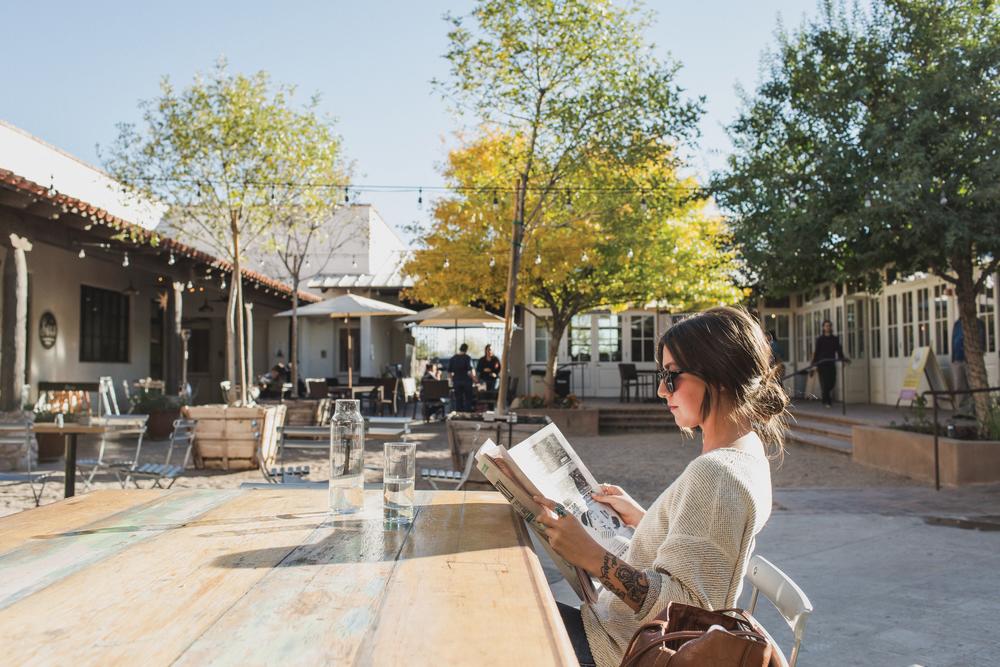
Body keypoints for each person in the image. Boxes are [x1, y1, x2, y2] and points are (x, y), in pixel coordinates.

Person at [532, 306, 788, 667]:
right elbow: (704, 552)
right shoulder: (746, 451)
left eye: (671, 376)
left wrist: (588, 553)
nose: (660, 389)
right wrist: (646, 518)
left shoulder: (718, 474)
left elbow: (685, 607)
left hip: (617, 650)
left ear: (718, 376)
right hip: (617, 635)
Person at [951, 318, 986, 414]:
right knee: (959, 385)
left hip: (971, 359)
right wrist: (953, 358)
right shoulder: (957, 324)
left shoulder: (978, 323)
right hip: (958, 358)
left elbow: (982, 339)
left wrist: (979, 353)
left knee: (972, 384)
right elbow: (954, 339)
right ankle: (961, 410)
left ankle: (974, 409)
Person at [811, 319, 849, 407]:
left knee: (832, 382)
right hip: (822, 364)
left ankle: (826, 400)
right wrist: (814, 364)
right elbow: (817, 352)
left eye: (829, 326)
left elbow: (838, 350)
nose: (828, 327)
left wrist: (842, 359)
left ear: (831, 327)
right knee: (825, 383)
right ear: (823, 327)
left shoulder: (834, 339)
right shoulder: (820, 339)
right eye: (826, 326)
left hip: (831, 363)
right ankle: (827, 401)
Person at [447, 343, 476, 412]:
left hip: (456, 381)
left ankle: (459, 414)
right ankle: (466, 414)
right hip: (467, 382)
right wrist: (475, 379)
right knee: (468, 399)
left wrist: (451, 380)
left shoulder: (453, 358)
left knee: (458, 399)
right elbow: (470, 371)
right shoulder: (467, 358)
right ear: (466, 349)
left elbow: (449, 373)